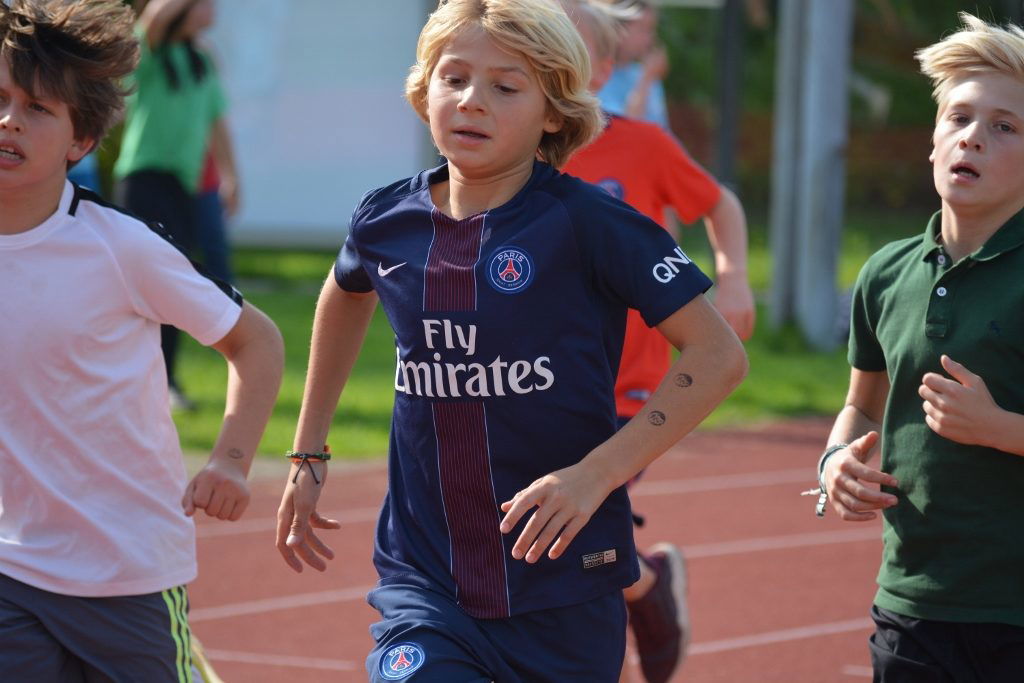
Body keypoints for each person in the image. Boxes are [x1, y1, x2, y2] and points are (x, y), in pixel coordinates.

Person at [275, 1, 747, 681]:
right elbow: (345, 294)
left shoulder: (591, 224)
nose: (472, 100)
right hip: (427, 580)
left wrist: (597, 474)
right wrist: (308, 449)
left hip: (564, 586)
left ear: (554, 112)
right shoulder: (386, 220)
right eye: (454, 78)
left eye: (505, 86)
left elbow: (719, 354)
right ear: (425, 89)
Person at [0, 1, 284, 680]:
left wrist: (232, 460)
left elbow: (258, 341)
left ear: (80, 141)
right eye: (0, 100)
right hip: (13, 568)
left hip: (126, 573)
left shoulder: (121, 248)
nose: (9, 120)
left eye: (37, 108)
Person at [816, 13, 1024, 682]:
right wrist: (834, 461)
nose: (973, 137)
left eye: (1005, 126)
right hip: (913, 603)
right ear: (933, 142)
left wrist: (998, 428)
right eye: (959, 118)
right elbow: (861, 408)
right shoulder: (885, 273)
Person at [560, 2, 754, 681]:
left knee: (575, 523)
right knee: (556, 537)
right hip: (534, 384)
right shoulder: (510, 154)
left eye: (564, 43)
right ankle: (645, 581)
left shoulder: (642, 145)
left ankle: (632, 599)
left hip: (628, 387)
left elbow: (719, 202)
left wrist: (733, 281)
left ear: (603, 69)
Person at [114, 0, 241, 412]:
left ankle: (165, 381)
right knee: (135, 285)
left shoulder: (203, 59)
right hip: (143, 180)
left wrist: (230, 175)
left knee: (171, 285)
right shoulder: (151, 49)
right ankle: (124, 379)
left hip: (183, 187)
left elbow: (217, 122)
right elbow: (153, 19)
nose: (213, 9)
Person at [595, 0, 669, 128]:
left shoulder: (646, 74)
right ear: (618, 28)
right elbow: (626, 126)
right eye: (644, 29)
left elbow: (663, 131)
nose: (650, 38)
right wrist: (646, 79)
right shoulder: (598, 76)